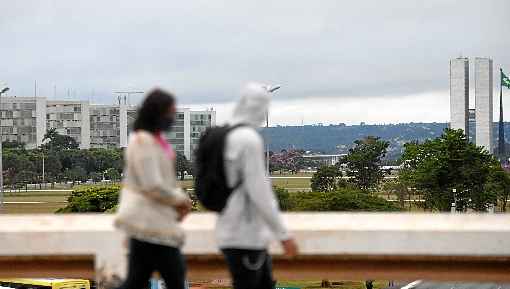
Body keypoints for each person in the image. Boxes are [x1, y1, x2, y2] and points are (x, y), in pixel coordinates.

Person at [217, 82, 299, 289]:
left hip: (229, 229)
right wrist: (283, 235)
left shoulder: (226, 135)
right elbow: (260, 193)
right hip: (246, 236)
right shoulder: (248, 140)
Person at [114, 88, 192, 289]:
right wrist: (180, 199)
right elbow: (153, 185)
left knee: (136, 281)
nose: (172, 118)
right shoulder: (142, 141)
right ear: (157, 113)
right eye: (170, 113)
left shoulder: (157, 140)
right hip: (149, 222)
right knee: (175, 276)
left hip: (153, 221)